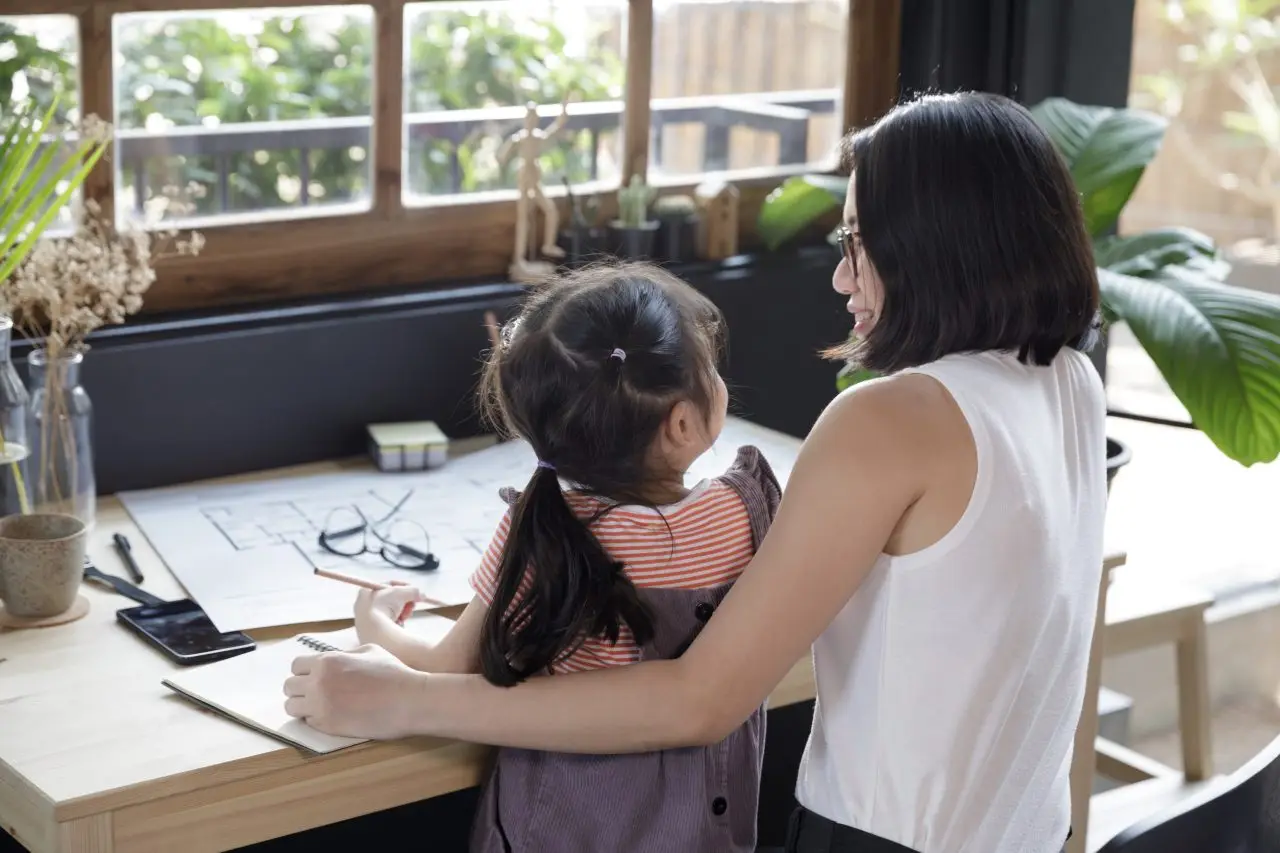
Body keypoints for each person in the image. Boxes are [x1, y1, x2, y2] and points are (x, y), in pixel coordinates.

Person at [284, 91, 1109, 853]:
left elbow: (698, 701)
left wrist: (400, 696)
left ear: (933, 245)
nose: (840, 276)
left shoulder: (887, 421)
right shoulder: (1070, 382)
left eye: (857, 244)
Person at [305, 262, 783, 852]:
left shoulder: (538, 534)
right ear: (683, 423)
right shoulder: (745, 512)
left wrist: (374, 623)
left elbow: (448, 669)